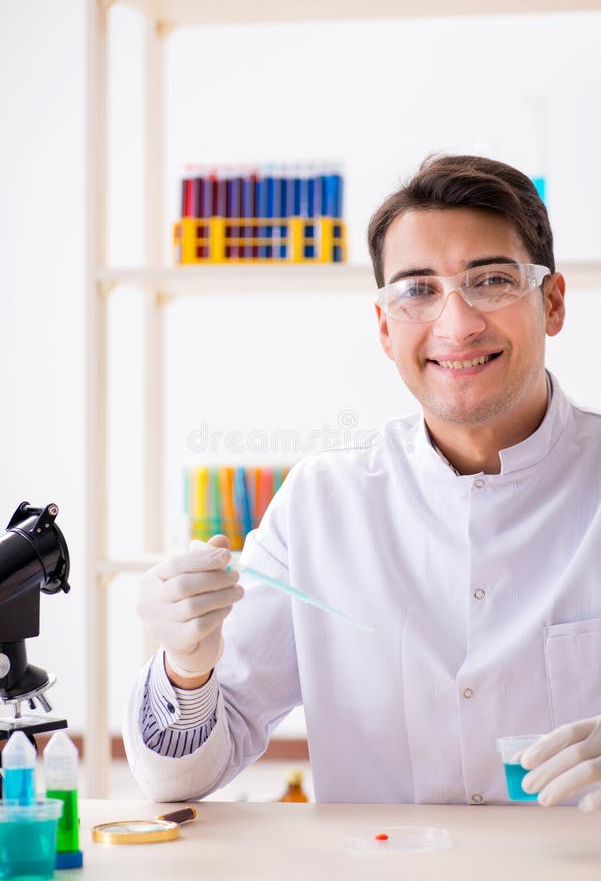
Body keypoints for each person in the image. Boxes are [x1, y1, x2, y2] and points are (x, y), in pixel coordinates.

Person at [124, 154, 601, 810]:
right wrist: (187, 666)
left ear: (550, 302)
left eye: (490, 280)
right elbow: (175, 780)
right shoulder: (323, 504)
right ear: (383, 327)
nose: (455, 324)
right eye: (416, 290)